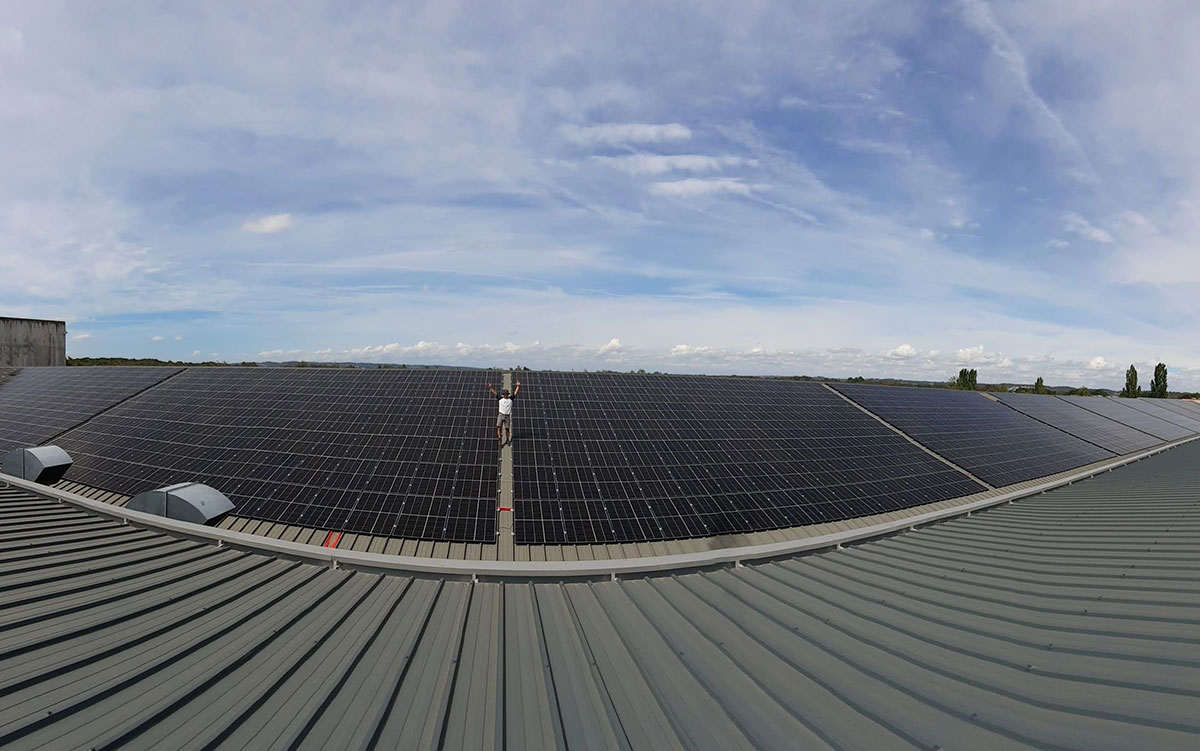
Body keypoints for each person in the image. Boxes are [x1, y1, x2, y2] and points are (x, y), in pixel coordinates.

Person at [487, 380, 522, 446]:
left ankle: (507, 440)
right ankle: (500, 439)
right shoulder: (500, 398)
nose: (505, 395)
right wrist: (490, 388)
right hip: (501, 415)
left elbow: (515, 393)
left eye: (506, 394)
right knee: (499, 428)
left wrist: (518, 386)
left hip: (507, 416)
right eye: (504, 394)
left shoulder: (510, 399)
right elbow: (495, 393)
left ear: (508, 394)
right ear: (503, 395)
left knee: (507, 429)